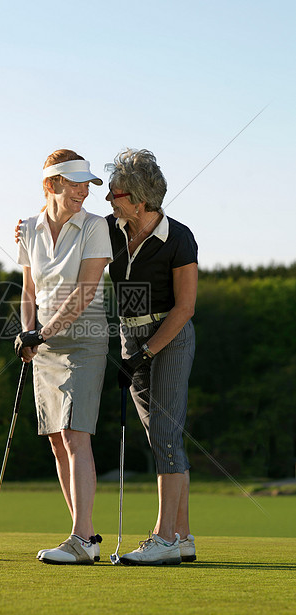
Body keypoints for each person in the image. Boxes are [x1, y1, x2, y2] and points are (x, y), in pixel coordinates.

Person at [14, 149, 112, 565]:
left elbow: (85, 291)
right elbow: (29, 289)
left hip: (85, 337)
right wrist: (26, 331)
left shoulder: (94, 227)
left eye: (86, 185)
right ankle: (83, 536)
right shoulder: (29, 228)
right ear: (50, 185)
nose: (83, 193)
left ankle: (81, 538)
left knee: (75, 433)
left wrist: (42, 332)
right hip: (45, 344)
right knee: (56, 438)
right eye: (74, 185)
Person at [105, 148, 198, 566]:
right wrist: (26, 229)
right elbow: (64, 232)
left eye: (115, 193)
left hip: (171, 337)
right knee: (162, 436)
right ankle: (182, 536)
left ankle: (163, 539)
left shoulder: (178, 237)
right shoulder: (108, 229)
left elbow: (184, 308)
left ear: (139, 201)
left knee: (165, 431)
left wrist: (144, 352)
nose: (108, 199)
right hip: (131, 336)